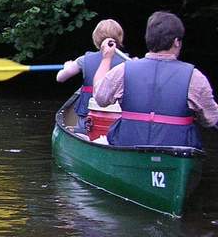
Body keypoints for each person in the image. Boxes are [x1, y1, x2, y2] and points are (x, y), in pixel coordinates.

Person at [93, 11, 218, 148]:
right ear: (176, 42)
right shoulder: (195, 77)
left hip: (128, 147)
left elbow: (100, 98)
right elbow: (210, 120)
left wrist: (106, 59)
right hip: (176, 153)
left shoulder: (123, 70)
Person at [56, 19, 127, 133]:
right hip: (117, 119)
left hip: (87, 121)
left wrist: (67, 67)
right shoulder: (129, 63)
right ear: (120, 38)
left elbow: (60, 78)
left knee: (83, 129)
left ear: (96, 39)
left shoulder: (84, 60)